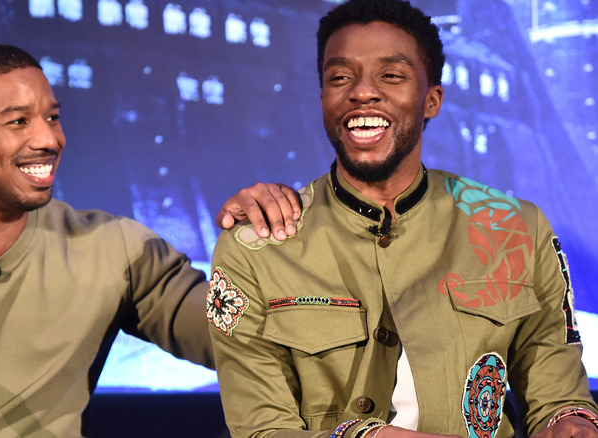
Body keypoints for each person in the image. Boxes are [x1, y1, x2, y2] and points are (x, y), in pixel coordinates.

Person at [0, 42, 301, 436]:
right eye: (18, 121)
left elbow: (234, 335)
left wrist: (258, 247)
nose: (49, 139)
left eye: (52, 117)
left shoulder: (116, 249)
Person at [206, 1, 598, 437]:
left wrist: (572, 424)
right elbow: (261, 430)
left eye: (391, 75)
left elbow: (559, 399)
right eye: (340, 77)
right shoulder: (256, 247)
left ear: (432, 100)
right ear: (322, 100)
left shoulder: (515, 228)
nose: (362, 92)